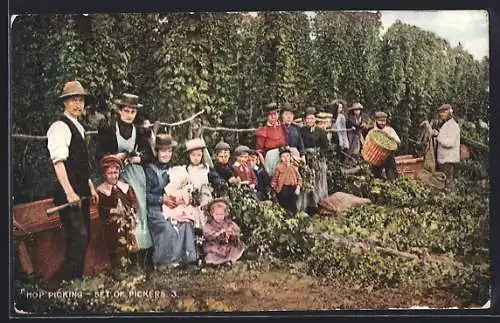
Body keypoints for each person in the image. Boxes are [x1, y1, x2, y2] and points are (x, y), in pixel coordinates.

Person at [46, 80, 99, 290]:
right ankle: (60, 285)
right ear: (65, 103)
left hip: (81, 192)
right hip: (68, 194)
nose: (78, 105)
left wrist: (91, 187)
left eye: (80, 100)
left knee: (83, 238)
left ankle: (74, 282)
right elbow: (59, 163)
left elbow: (80, 165)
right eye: (73, 100)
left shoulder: (78, 127)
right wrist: (69, 192)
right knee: (78, 237)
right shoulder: (59, 127)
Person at [95, 92, 154, 268]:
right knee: (119, 210)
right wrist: (115, 156)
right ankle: (121, 255)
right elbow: (98, 154)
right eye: (126, 111)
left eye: (133, 112)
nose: (129, 115)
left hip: (135, 174)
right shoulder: (109, 129)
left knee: (140, 210)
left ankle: (142, 255)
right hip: (114, 174)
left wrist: (135, 159)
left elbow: (149, 155)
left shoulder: (139, 131)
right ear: (120, 110)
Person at [144, 134, 197, 269]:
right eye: (163, 151)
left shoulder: (175, 168)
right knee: (167, 227)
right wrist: (162, 199)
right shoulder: (150, 170)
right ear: (156, 152)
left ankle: (186, 259)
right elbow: (145, 195)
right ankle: (165, 262)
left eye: (169, 151)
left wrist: (182, 197)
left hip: (175, 207)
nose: (166, 154)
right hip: (156, 208)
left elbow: (183, 186)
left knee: (186, 222)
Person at [96, 155, 139, 272]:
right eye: (110, 173)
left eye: (116, 172)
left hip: (126, 218)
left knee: (131, 235)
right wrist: (112, 211)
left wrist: (132, 209)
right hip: (111, 221)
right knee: (113, 237)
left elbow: (133, 201)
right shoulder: (101, 190)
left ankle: (134, 264)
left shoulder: (125, 187)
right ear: (104, 174)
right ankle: (117, 267)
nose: (114, 176)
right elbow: (100, 209)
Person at [184, 138, 224, 229]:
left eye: (199, 155)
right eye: (193, 155)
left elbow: (215, 179)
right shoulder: (187, 169)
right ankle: (197, 235)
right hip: (193, 199)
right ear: (188, 156)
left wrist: (218, 184)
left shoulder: (206, 168)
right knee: (195, 218)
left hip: (205, 198)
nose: (196, 157)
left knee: (206, 217)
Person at [299, 107, 329, 215]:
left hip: (318, 160)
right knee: (307, 181)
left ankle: (319, 203)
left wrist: (320, 155)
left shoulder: (321, 132)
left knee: (318, 181)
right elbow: (300, 145)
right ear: (305, 120)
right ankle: (308, 205)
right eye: (308, 118)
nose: (310, 121)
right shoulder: (301, 131)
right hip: (306, 159)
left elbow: (326, 147)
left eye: (312, 118)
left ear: (315, 119)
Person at [202, 198, 245, 266]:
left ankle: (230, 259)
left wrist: (231, 232)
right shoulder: (209, 224)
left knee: (235, 249)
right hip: (216, 246)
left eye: (221, 214)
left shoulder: (228, 222)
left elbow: (236, 230)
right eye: (217, 214)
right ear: (212, 213)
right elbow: (207, 233)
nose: (219, 217)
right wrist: (217, 234)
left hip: (227, 245)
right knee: (211, 255)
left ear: (225, 213)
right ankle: (218, 262)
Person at [255, 102, 288, 178]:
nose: (273, 117)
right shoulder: (263, 131)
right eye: (270, 115)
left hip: (284, 157)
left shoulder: (282, 127)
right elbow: (259, 152)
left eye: (275, 114)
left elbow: (286, 144)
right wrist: (265, 167)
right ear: (267, 116)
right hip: (271, 161)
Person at [433, 104, 460, 191]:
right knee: (444, 182)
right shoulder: (447, 124)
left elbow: (450, 143)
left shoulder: (453, 126)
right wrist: (438, 134)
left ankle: (451, 199)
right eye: (441, 113)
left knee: (448, 182)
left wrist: (438, 137)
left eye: (443, 113)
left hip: (448, 160)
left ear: (449, 113)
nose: (442, 115)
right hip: (444, 160)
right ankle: (448, 198)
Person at [366, 111, 401, 181]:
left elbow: (398, 141)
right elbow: (367, 142)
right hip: (376, 157)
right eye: (380, 121)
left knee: (391, 174)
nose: (382, 123)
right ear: (376, 121)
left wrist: (390, 137)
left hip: (388, 156)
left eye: (384, 121)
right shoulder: (372, 132)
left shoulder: (389, 130)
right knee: (375, 175)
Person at [272, 146, 302, 216]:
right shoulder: (279, 168)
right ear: (281, 158)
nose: (286, 158)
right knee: (284, 208)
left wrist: (298, 187)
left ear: (290, 157)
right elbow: (274, 180)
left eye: (288, 156)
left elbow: (299, 179)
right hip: (284, 190)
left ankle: (294, 220)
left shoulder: (294, 167)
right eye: (283, 157)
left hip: (293, 189)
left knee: (294, 207)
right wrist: (276, 190)